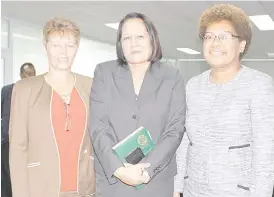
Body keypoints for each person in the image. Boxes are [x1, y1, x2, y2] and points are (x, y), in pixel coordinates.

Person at [174, 4, 274, 197]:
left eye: (224, 36)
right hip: (193, 190)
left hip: (237, 192)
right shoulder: (193, 85)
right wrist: (177, 186)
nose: (215, 43)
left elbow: (265, 158)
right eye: (209, 36)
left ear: (241, 44)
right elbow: (184, 141)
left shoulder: (259, 85)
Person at [89, 12, 186, 197]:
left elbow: (175, 130)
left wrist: (145, 170)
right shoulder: (104, 73)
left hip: (156, 180)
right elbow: (98, 127)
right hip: (114, 182)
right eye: (127, 38)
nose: (133, 43)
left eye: (140, 36)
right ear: (120, 43)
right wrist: (119, 169)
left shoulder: (172, 77)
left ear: (152, 39)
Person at [9, 17, 95, 197]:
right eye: (56, 45)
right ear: (45, 46)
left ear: (77, 48)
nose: (63, 52)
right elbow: (18, 149)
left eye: (70, 45)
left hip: (84, 188)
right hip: (40, 188)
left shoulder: (91, 87)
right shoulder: (25, 89)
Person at [1, 62, 36, 197]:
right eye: (27, 75)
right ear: (21, 75)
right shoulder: (6, 90)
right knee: (7, 181)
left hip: (27, 146)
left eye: (32, 75)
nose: (29, 78)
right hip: (7, 144)